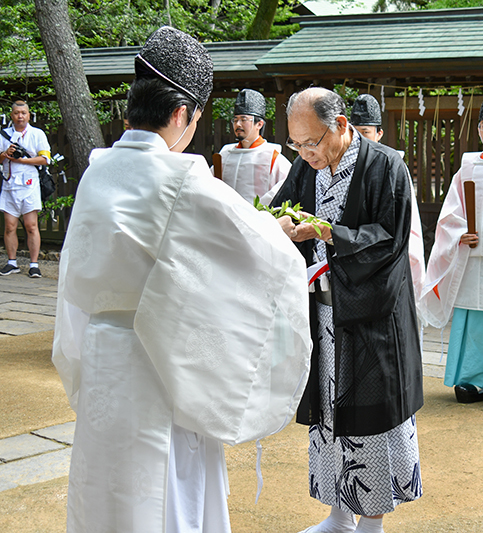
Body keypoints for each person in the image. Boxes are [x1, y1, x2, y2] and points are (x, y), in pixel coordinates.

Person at [52, 26, 312, 533]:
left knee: (106, 491)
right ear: (179, 114)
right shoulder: (181, 177)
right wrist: (278, 232)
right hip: (160, 362)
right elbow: (252, 246)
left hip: (102, 358)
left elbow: (74, 279)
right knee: (169, 496)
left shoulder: (97, 172)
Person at [271, 87, 423, 533]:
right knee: (328, 414)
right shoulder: (306, 166)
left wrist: (327, 232)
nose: (304, 153)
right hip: (323, 313)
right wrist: (278, 224)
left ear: (340, 125)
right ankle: (338, 516)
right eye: (296, 144)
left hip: (371, 315)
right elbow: (281, 208)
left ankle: (371, 523)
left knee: (371, 417)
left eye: (311, 142)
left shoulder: (386, 166)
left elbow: (390, 239)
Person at [420, 91, 483, 405]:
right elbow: (451, 212)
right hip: (470, 256)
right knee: (469, 319)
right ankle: (468, 380)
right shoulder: (468, 164)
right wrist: (460, 234)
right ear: (478, 129)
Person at [349, 93, 426, 305]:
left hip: (385, 256)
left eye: (366, 132)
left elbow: (406, 222)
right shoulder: (343, 167)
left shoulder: (392, 164)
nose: (360, 140)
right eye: (355, 133)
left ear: (379, 133)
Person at [0, 100, 50, 278]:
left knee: (31, 225)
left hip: (30, 184)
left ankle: (34, 264)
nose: (20, 116)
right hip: (9, 184)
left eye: (23, 113)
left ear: (29, 115)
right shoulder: (3, 135)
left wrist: (22, 160)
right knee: (9, 226)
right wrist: (5, 154)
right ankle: (12, 262)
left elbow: (45, 159)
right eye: (16, 113)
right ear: (11, 115)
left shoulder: (37, 134)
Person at [217, 88, 291, 205]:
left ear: (259, 124)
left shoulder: (272, 156)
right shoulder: (225, 154)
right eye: (235, 120)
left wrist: (259, 209)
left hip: (260, 214)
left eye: (243, 120)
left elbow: (285, 186)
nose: (238, 124)